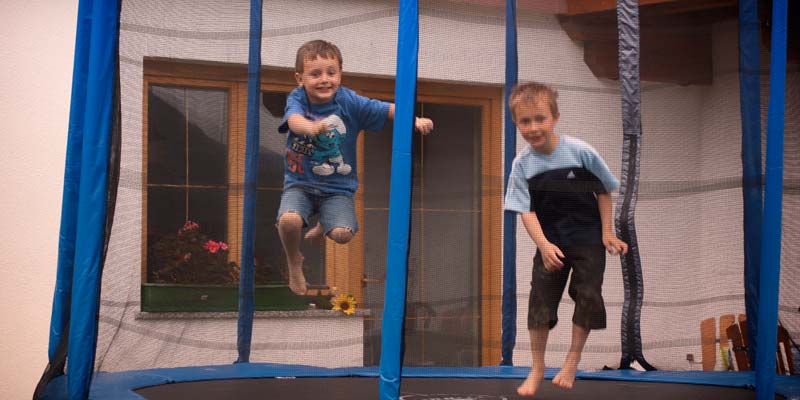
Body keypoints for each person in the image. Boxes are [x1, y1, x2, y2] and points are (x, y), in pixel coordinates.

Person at [277, 39, 434, 295]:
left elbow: (385, 108)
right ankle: (294, 260)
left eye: (331, 72)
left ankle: (323, 224)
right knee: (289, 221)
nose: (324, 79)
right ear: (300, 78)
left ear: (340, 74)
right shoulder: (298, 99)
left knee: (341, 235)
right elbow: (294, 120)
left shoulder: (348, 101)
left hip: (337, 188)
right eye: (315, 74)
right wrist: (312, 128)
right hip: (300, 183)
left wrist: (414, 119)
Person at [503, 82, 628, 397]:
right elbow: (525, 211)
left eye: (539, 119)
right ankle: (537, 368)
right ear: (517, 124)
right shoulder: (522, 165)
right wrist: (544, 246)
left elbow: (603, 191)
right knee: (539, 303)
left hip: (587, 239)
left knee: (588, 295)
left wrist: (607, 232)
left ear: (555, 117)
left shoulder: (581, 153)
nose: (533, 127)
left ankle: (572, 359)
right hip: (552, 242)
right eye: (525, 121)